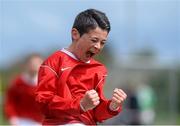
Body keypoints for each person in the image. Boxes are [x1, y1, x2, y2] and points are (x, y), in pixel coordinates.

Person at [35, 8, 127, 125]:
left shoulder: (99, 69)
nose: (98, 46)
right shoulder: (53, 63)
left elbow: (95, 113)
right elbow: (43, 103)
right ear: (75, 34)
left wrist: (112, 106)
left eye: (103, 42)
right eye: (94, 40)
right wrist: (80, 105)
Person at [4, 53, 44, 126]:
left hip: (40, 122)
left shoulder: (46, 82)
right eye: (32, 63)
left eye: (37, 63)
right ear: (27, 64)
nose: (34, 65)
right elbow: (10, 102)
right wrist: (12, 118)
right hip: (22, 121)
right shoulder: (17, 82)